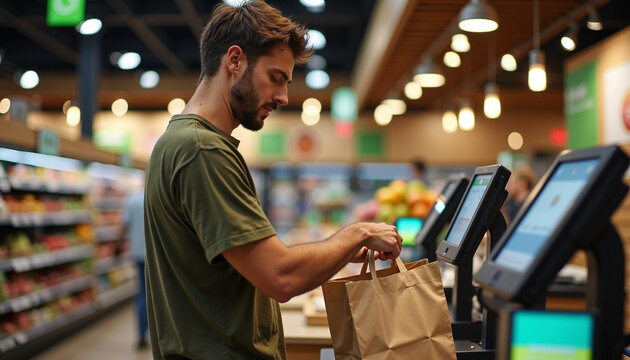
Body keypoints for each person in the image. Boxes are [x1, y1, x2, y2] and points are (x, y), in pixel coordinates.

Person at [143, 1, 403, 359]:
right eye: (275, 78)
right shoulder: (203, 150)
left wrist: (339, 253)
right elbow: (280, 277)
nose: (283, 96)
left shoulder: (181, 142)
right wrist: (356, 232)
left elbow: (253, 264)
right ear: (234, 61)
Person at [121, 188, 148, 349]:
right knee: (158, 294)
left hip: (138, 254)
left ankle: (141, 335)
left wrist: (118, 245)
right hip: (156, 255)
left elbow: (123, 226)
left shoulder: (132, 200)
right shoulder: (157, 196)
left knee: (142, 294)